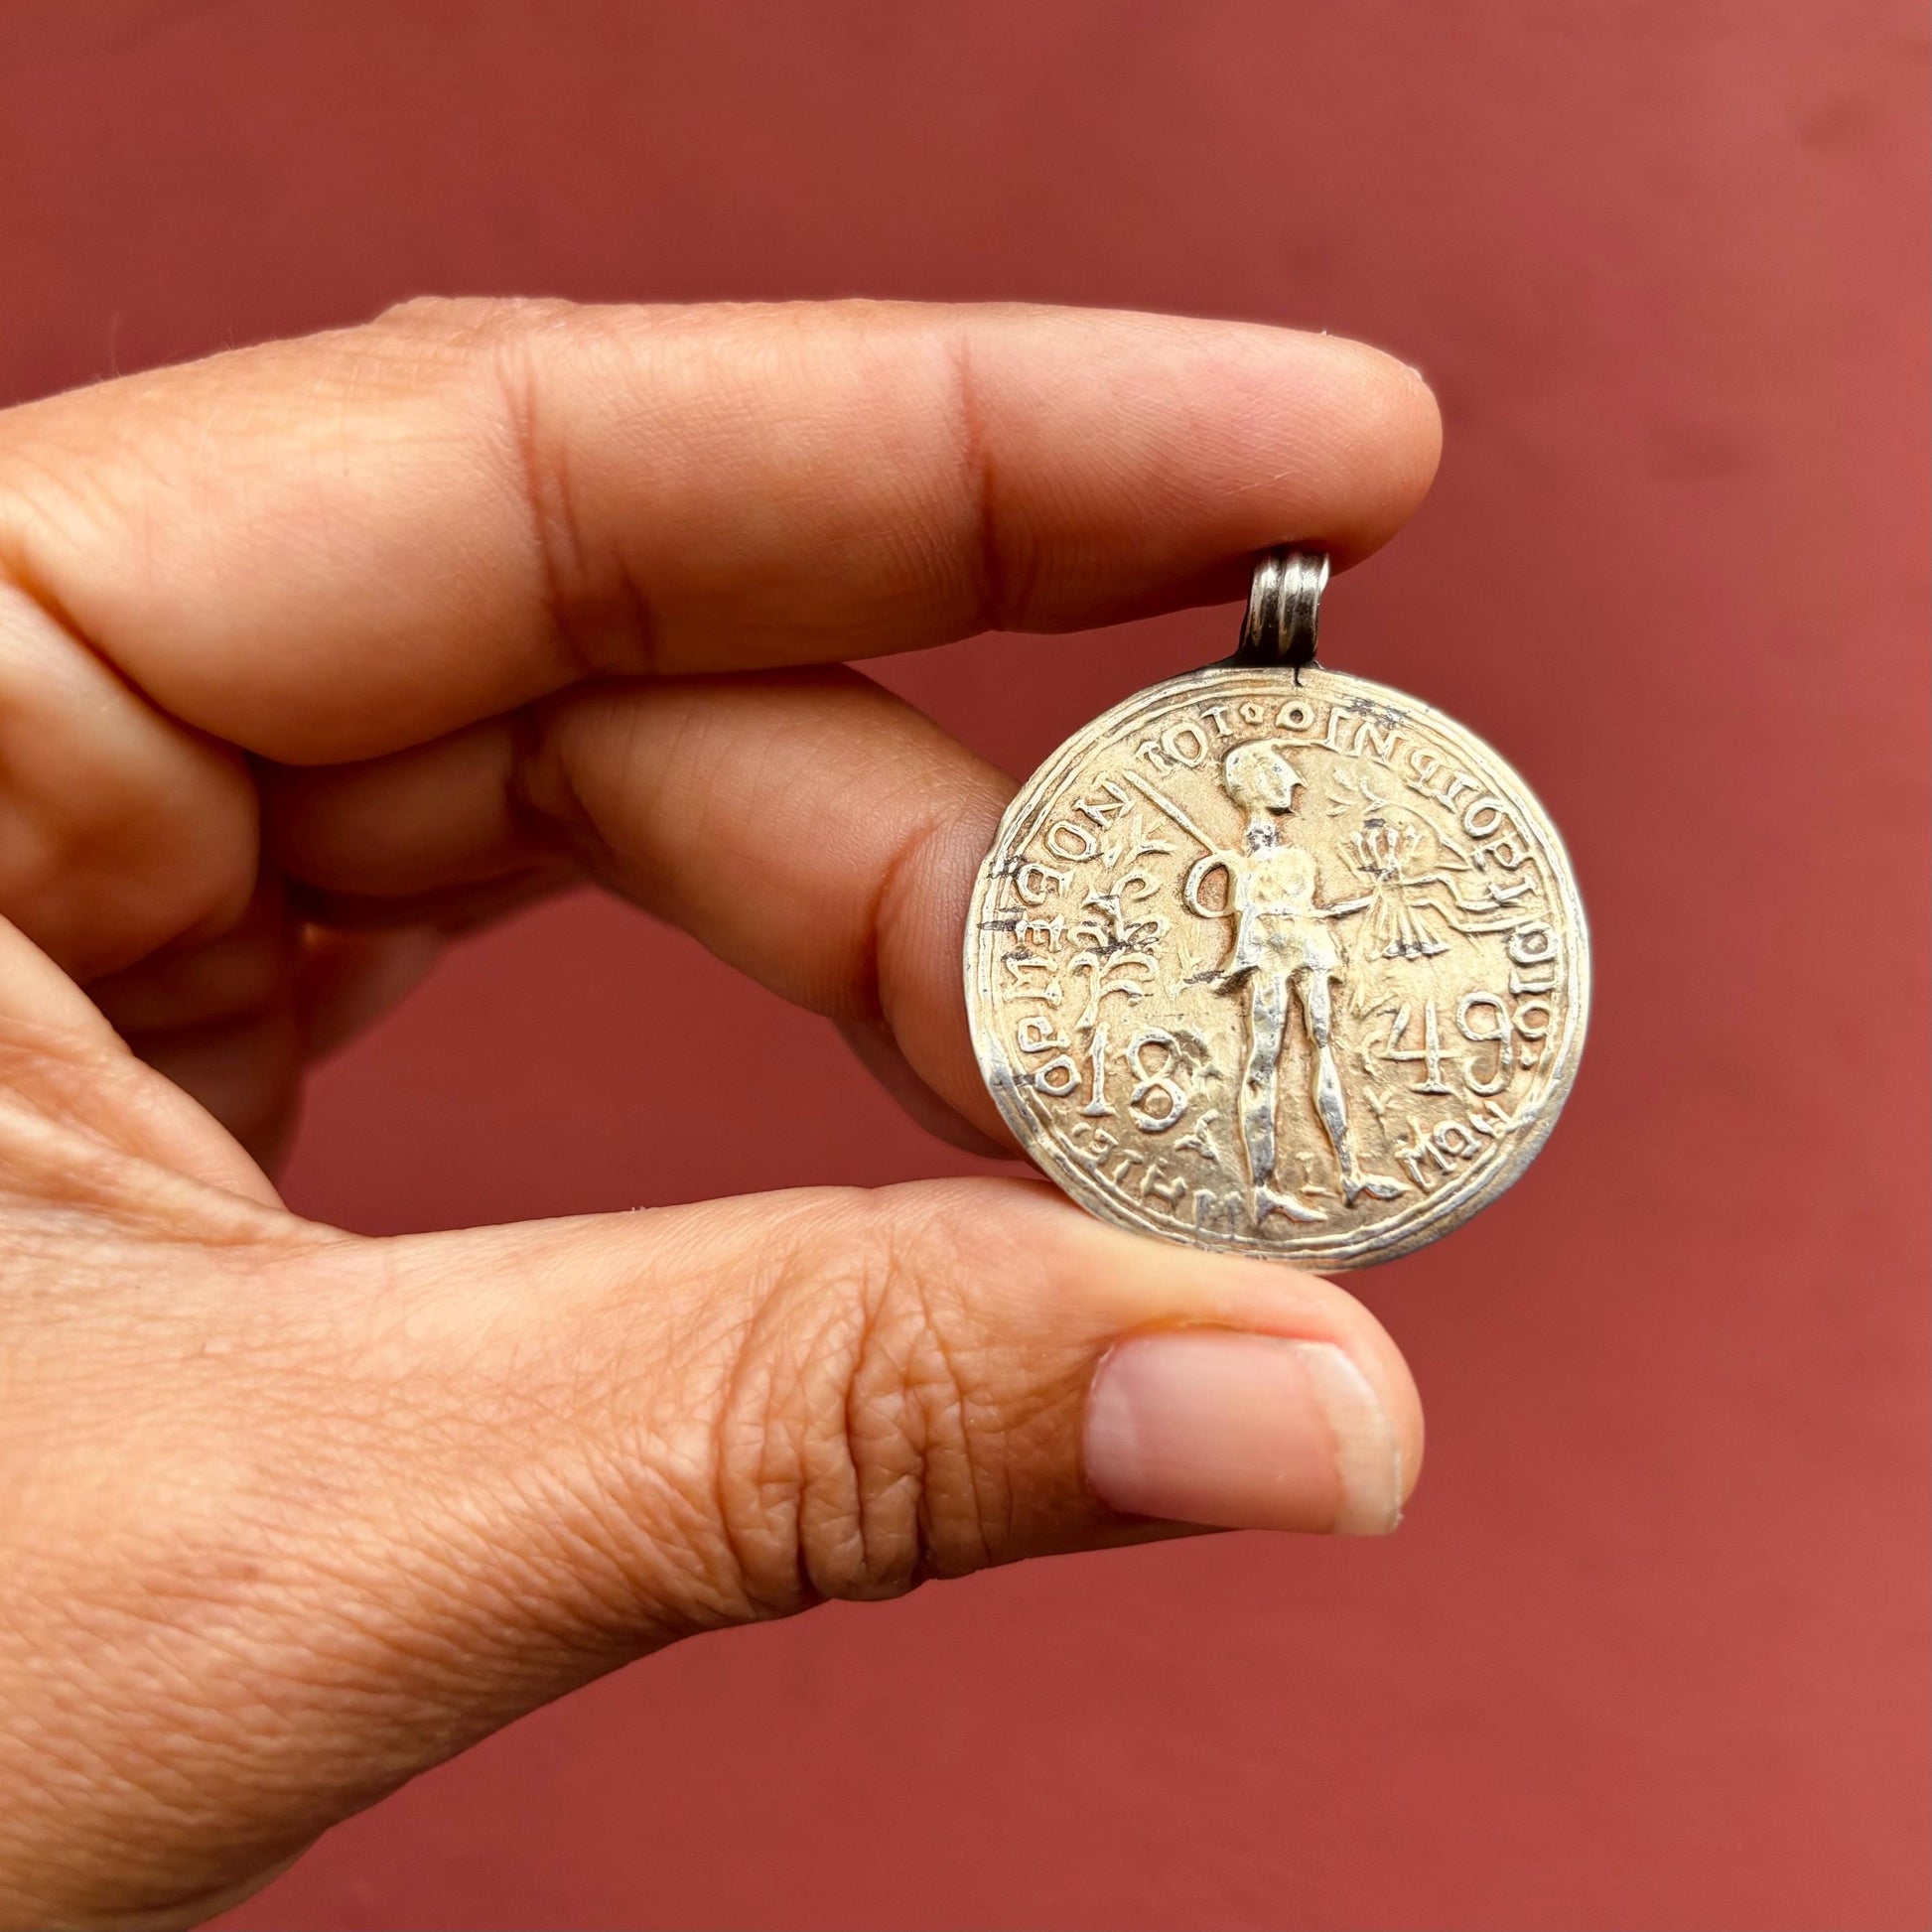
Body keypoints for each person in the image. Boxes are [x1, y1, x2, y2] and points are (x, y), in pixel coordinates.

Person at [0, 299, 1437, 1926]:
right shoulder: (1238, 861)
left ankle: (1301, 1139)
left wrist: (1310, 923)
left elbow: (1297, 926)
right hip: (1267, 978)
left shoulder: (1280, 851)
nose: (1264, 798)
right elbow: (1230, 935)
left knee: (1309, 1072)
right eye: (1256, 793)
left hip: (1311, 971)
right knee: (1267, 1077)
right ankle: (1281, 1143)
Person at [1183, 741, 1407, 1223]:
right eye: (1283, 774)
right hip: (1273, 954)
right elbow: (1248, 919)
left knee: (1320, 1045)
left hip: (1308, 948)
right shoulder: (1249, 866)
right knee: (1265, 1058)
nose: (1295, 783)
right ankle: (1262, 1187)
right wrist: (1242, 952)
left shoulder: (1295, 861)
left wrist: (1356, 903)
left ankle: (1349, 1172)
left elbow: (1306, 910)